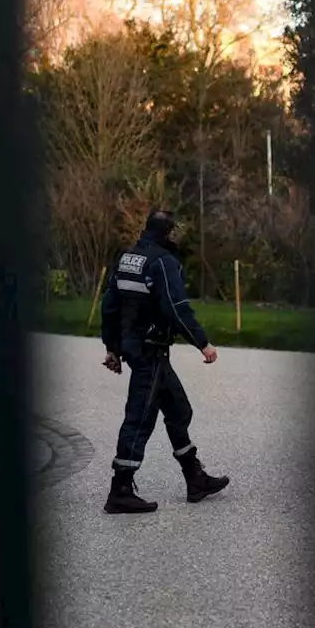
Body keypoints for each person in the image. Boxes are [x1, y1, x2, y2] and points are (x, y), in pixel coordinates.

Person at [98, 209, 230, 514]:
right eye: (175, 231)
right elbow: (175, 308)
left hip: (135, 346)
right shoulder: (162, 262)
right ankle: (120, 489)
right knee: (140, 416)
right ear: (166, 233)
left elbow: (110, 305)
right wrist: (203, 344)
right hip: (150, 351)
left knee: (178, 409)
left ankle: (194, 478)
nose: (178, 236)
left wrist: (112, 347)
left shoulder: (127, 257)